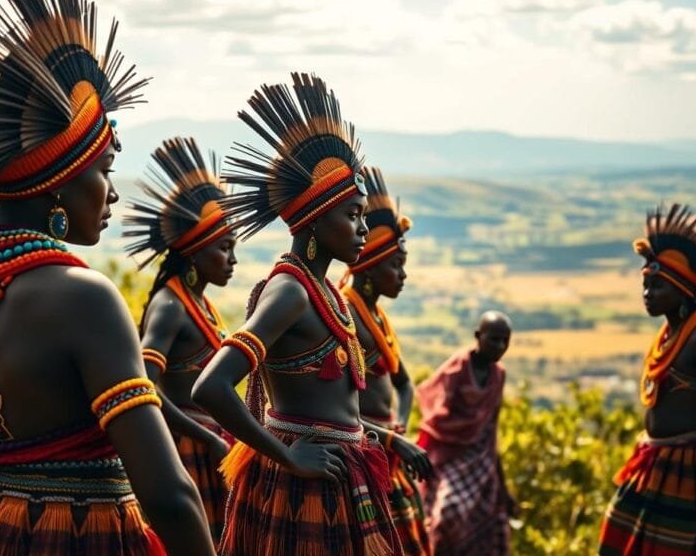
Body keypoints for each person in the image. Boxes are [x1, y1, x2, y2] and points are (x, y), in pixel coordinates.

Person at [0, 0, 217, 554]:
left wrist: (2, 485)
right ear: (59, 182)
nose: (111, 192)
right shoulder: (86, 299)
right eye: (105, 169)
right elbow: (169, 496)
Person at [193, 72, 427, 556]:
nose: (362, 229)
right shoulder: (290, 292)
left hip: (339, 471)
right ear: (318, 219)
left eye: (363, 216)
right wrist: (288, 457)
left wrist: (385, 438)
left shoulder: (325, 291)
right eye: (353, 216)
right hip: (302, 486)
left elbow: (326, 406)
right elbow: (210, 386)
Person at [598, 203, 696, 556]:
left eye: (657, 287)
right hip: (654, 459)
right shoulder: (670, 332)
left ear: (682, 290)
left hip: (689, 467)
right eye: (645, 285)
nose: (647, 295)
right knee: (616, 542)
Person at [123, 136, 237, 541]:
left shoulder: (199, 302)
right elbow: (144, 386)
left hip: (207, 448)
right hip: (185, 451)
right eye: (225, 248)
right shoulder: (171, 305)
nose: (234, 260)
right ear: (196, 250)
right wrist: (205, 437)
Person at [340, 166, 431, 555]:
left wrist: (400, 428)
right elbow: (332, 407)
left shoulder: (377, 317)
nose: (403, 275)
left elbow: (404, 383)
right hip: (357, 453)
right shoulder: (345, 310)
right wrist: (392, 439)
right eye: (396, 265)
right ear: (371, 268)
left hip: (386, 449)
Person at [416, 311, 515, 556]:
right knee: (449, 514)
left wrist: (502, 484)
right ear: (478, 337)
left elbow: (491, 426)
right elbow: (437, 416)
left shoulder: (498, 375)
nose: (500, 346)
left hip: (481, 459)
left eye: (505, 341)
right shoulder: (458, 369)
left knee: (490, 521)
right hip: (448, 455)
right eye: (494, 339)